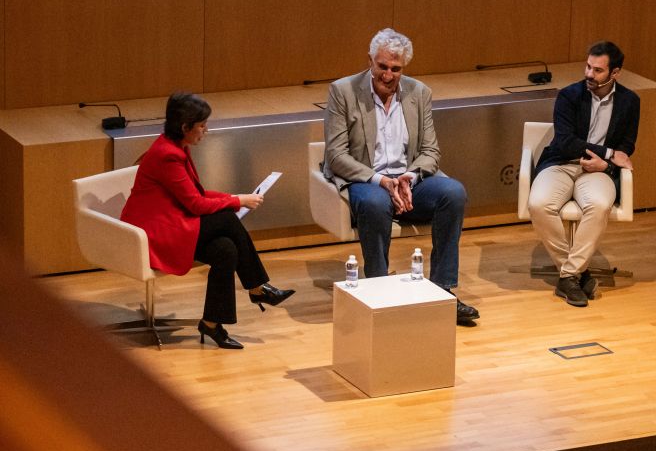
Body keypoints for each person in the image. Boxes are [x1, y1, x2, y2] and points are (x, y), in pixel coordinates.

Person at [322, 28, 479, 326]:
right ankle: (379, 290)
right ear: (370, 61)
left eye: (396, 69)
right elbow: (336, 156)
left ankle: (443, 290)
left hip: (407, 179)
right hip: (367, 179)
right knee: (375, 203)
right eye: (382, 66)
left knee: (453, 193)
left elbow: (431, 151)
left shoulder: (419, 93)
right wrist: (381, 181)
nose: (388, 75)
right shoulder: (343, 91)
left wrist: (409, 177)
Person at [121, 92, 294, 349]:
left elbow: (196, 194)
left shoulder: (176, 147)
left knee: (225, 249)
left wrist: (235, 197)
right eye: (202, 125)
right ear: (185, 127)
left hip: (172, 222)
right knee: (227, 220)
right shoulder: (167, 155)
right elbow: (196, 204)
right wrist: (237, 201)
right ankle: (257, 287)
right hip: (152, 234)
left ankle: (212, 323)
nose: (206, 130)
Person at [527, 41, 639, 307]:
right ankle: (576, 273)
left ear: (615, 73)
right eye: (588, 67)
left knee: (598, 205)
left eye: (598, 70)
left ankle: (568, 276)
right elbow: (565, 141)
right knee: (539, 204)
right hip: (561, 162)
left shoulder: (630, 101)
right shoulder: (569, 95)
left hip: (598, 170)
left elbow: (627, 146)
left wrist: (606, 165)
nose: (589, 74)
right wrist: (608, 154)